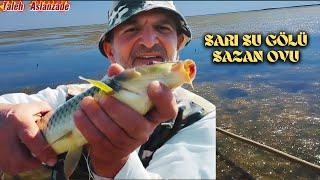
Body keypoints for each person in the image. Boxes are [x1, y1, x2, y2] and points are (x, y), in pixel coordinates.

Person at [0, 1, 216, 179]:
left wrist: (117, 163)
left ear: (178, 44)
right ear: (109, 50)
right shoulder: (67, 97)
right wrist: (5, 115)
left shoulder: (197, 117)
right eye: (131, 29)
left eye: (163, 28)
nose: (150, 42)